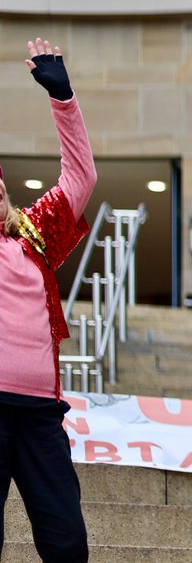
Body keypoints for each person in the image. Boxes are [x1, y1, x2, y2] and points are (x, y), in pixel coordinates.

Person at [1, 38, 96, 563]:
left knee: (67, 544)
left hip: (40, 414)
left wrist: (64, 99)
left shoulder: (33, 235)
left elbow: (81, 179)